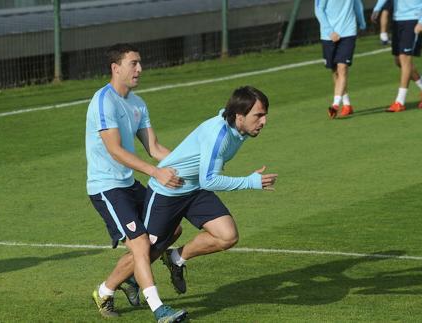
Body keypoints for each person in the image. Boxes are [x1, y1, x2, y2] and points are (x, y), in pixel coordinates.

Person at [85, 43, 187, 322]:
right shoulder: (103, 100)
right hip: (107, 187)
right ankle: (159, 309)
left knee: (172, 228)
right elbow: (115, 150)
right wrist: (155, 173)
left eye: (140, 63)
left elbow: (154, 148)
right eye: (134, 63)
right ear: (115, 68)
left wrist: (190, 164)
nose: (140, 69)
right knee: (141, 244)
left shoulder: (138, 103)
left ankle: (109, 288)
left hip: (128, 184)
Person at [142, 86, 278, 295]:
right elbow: (209, 181)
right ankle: (107, 290)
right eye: (258, 115)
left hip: (193, 190)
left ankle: (175, 258)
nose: (264, 121)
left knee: (227, 236)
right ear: (239, 116)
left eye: (265, 115)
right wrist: (250, 182)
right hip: (167, 191)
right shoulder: (219, 135)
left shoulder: (239, 128)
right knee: (146, 252)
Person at [371, 0, 422, 112]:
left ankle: (400, 102)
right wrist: (377, 8)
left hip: (413, 20)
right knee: (398, 61)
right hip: (397, 20)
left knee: (405, 59)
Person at [314, 0, 366, 119]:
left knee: (342, 68)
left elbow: (357, 4)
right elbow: (318, 10)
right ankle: (347, 104)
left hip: (348, 32)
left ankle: (335, 105)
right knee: (335, 71)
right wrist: (330, 31)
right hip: (328, 36)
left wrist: (362, 22)